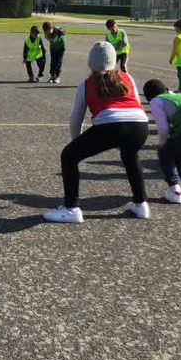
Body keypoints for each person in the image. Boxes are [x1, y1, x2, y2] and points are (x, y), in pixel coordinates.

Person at [43, 42, 150, 224]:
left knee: (68, 157)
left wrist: (76, 144)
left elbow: (76, 119)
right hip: (140, 125)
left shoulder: (86, 84)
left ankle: (71, 208)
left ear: (90, 63)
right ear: (114, 61)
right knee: (130, 157)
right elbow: (136, 104)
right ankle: (141, 204)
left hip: (111, 125)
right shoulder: (127, 78)